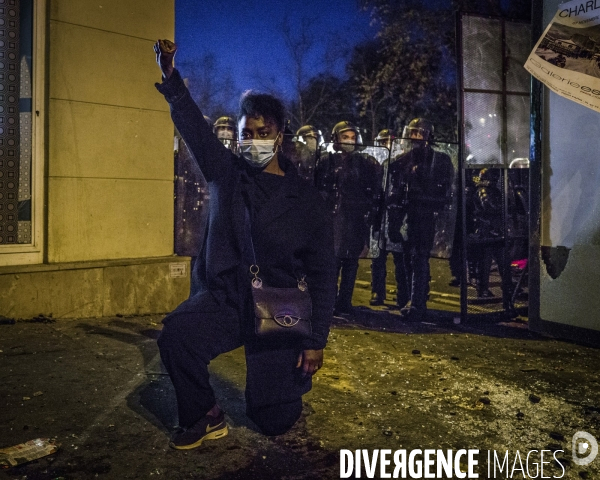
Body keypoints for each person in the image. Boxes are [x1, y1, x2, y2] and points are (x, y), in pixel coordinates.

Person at [153, 39, 337, 449]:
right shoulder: (226, 173)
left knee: (273, 421)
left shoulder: (305, 200)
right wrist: (171, 77)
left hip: (279, 309)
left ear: (280, 135)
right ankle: (204, 413)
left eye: (263, 132)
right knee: (176, 336)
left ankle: (282, 394)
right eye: (247, 133)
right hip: (226, 300)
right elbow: (195, 131)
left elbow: (324, 274)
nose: (253, 140)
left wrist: (314, 340)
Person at [387, 118, 453, 321]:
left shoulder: (439, 160)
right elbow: (395, 192)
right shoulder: (401, 161)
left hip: (426, 215)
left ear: (428, 136)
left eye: (420, 133)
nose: (415, 137)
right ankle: (409, 299)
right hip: (407, 214)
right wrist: (394, 221)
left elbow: (446, 189)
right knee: (406, 258)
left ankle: (417, 303)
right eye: (412, 133)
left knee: (419, 258)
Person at [315, 121, 382, 314]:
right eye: (345, 137)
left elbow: (371, 190)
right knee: (332, 261)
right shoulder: (326, 161)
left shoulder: (364, 163)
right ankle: (329, 300)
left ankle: (345, 301)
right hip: (332, 218)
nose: (349, 141)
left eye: (352, 138)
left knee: (351, 262)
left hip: (354, 218)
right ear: (336, 139)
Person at [369, 129, 410, 308]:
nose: (388, 144)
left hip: (396, 216)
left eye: (391, 141)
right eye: (384, 141)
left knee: (400, 260)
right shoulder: (371, 160)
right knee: (377, 258)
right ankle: (377, 291)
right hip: (379, 215)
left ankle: (403, 294)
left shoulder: (402, 161)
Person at [470, 168, 515, 314]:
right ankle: (483, 289)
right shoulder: (483, 190)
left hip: (495, 230)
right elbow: (488, 205)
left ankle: (507, 290)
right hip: (487, 230)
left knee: (501, 262)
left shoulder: (493, 190)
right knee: (486, 262)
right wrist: (504, 208)